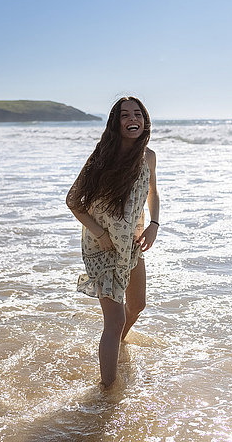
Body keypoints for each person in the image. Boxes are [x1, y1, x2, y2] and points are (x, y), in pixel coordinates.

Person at [66, 96, 160, 388]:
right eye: (125, 115)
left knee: (138, 305)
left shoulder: (148, 157)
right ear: (116, 123)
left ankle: (115, 346)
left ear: (144, 120)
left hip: (131, 244)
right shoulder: (103, 156)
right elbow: (73, 200)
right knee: (115, 319)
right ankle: (107, 392)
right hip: (102, 248)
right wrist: (101, 234)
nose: (133, 119)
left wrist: (154, 224)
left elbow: (153, 194)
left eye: (138, 114)